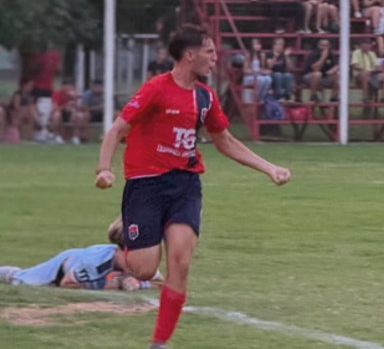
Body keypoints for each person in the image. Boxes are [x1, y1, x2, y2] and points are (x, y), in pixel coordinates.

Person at [94, 25, 291, 349]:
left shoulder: (205, 97)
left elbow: (225, 141)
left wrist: (269, 168)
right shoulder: (156, 90)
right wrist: (105, 170)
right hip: (145, 185)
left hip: (185, 184)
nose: (215, 58)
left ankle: (159, 343)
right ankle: (127, 223)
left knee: (180, 262)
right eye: (210, 52)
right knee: (143, 270)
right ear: (190, 55)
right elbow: (116, 130)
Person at [0, 243, 162, 291]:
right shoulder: (94, 262)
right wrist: (103, 286)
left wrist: (137, 282)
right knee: (22, 280)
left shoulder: (141, 260)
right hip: (63, 267)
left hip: (79, 263)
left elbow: (162, 283)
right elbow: (66, 283)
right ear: (118, 251)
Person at [51, 78, 88, 144]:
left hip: (73, 113)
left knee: (80, 115)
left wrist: (74, 101)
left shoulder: (76, 95)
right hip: (62, 113)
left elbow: (82, 107)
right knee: (56, 115)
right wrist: (65, 107)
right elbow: (55, 108)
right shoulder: (57, 94)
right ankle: (57, 136)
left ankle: (76, 136)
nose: (69, 89)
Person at [303, 38, 339, 102]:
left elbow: (336, 65)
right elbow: (315, 68)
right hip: (310, 76)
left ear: (329, 46)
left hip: (325, 76)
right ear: (318, 45)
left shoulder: (331, 54)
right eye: (322, 45)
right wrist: (323, 57)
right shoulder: (314, 53)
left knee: (337, 74)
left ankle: (334, 97)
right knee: (317, 74)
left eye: (326, 45)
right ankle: (313, 95)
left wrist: (334, 70)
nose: (324, 47)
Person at [4, 78, 38, 143]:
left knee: (31, 110)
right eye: (29, 85)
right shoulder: (18, 94)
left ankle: (29, 136)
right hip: (16, 114)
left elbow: (33, 105)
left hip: (27, 115)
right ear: (24, 85)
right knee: (29, 110)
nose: (31, 87)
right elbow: (16, 107)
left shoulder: (31, 95)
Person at [242, 39, 272, 103]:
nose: (257, 46)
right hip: (249, 76)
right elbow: (245, 70)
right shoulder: (248, 55)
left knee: (268, 79)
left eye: (258, 44)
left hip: (259, 75)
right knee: (261, 80)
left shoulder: (262, 55)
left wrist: (265, 71)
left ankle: (261, 97)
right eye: (255, 44)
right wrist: (255, 72)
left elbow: (262, 69)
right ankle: (256, 97)